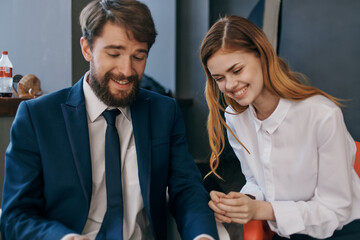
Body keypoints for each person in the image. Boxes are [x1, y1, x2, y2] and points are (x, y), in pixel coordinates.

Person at [0, 1, 219, 239]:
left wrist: (202, 236)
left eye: (139, 56)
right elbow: (16, 216)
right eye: (114, 53)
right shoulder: (37, 117)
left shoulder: (164, 111)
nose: (126, 70)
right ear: (87, 49)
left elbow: (187, 190)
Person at [200, 15, 360, 239]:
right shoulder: (235, 118)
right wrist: (243, 202)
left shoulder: (322, 115)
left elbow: (335, 210)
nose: (230, 85)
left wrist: (262, 210)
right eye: (219, 78)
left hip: (341, 231)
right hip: (286, 232)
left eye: (236, 71)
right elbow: (256, 180)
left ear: (262, 56)